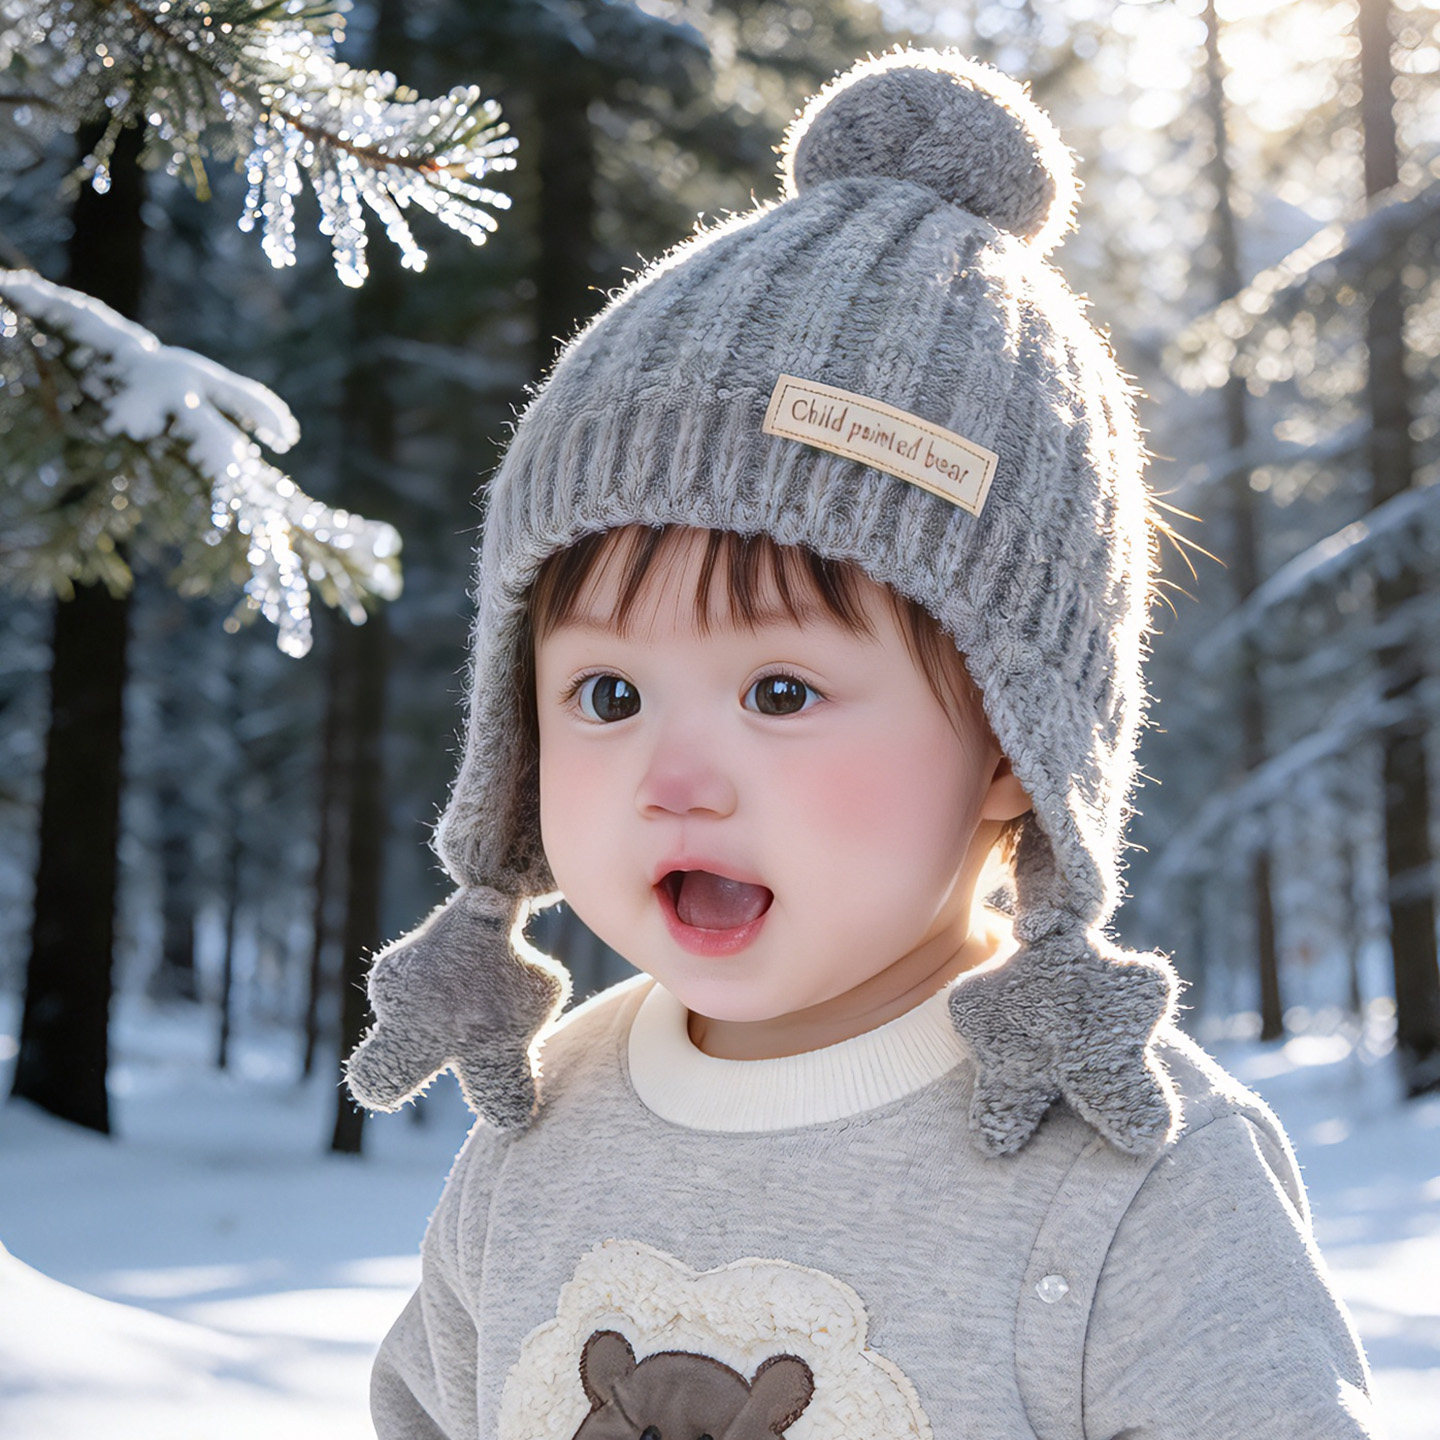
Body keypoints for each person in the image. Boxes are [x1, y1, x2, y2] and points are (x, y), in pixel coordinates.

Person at [346, 49, 1379, 1440]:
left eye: (780, 691)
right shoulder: (541, 1132)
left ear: (1018, 742)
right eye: (605, 695)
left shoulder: (1137, 1171)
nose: (675, 778)